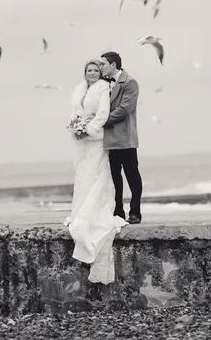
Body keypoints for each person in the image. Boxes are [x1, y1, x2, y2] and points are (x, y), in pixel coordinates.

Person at [64, 59, 128, 284]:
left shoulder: (103, 88)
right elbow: (74, 113)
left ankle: (93, 212)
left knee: (97, 176)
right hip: (82, 143)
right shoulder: (78, 89)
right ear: (84, 73)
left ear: (100, 73)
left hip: (97, 140)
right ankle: (79, 210)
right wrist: (76, 129)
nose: (92, 73)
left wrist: (88, 129)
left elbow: (103, 114)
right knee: (82, 177)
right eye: (88, 70)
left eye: (95, 70)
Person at [100, 51, 143, 224]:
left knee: (132, 175)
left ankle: (135, 212)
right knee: (114, 178)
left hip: (125, 138)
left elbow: (125, 109)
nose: (100, 67)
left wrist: (100, 121)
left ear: (113, 65)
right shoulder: (102, 84)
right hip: (109, 140)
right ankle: (118, 211)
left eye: (103, 64)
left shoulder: (130, 82)